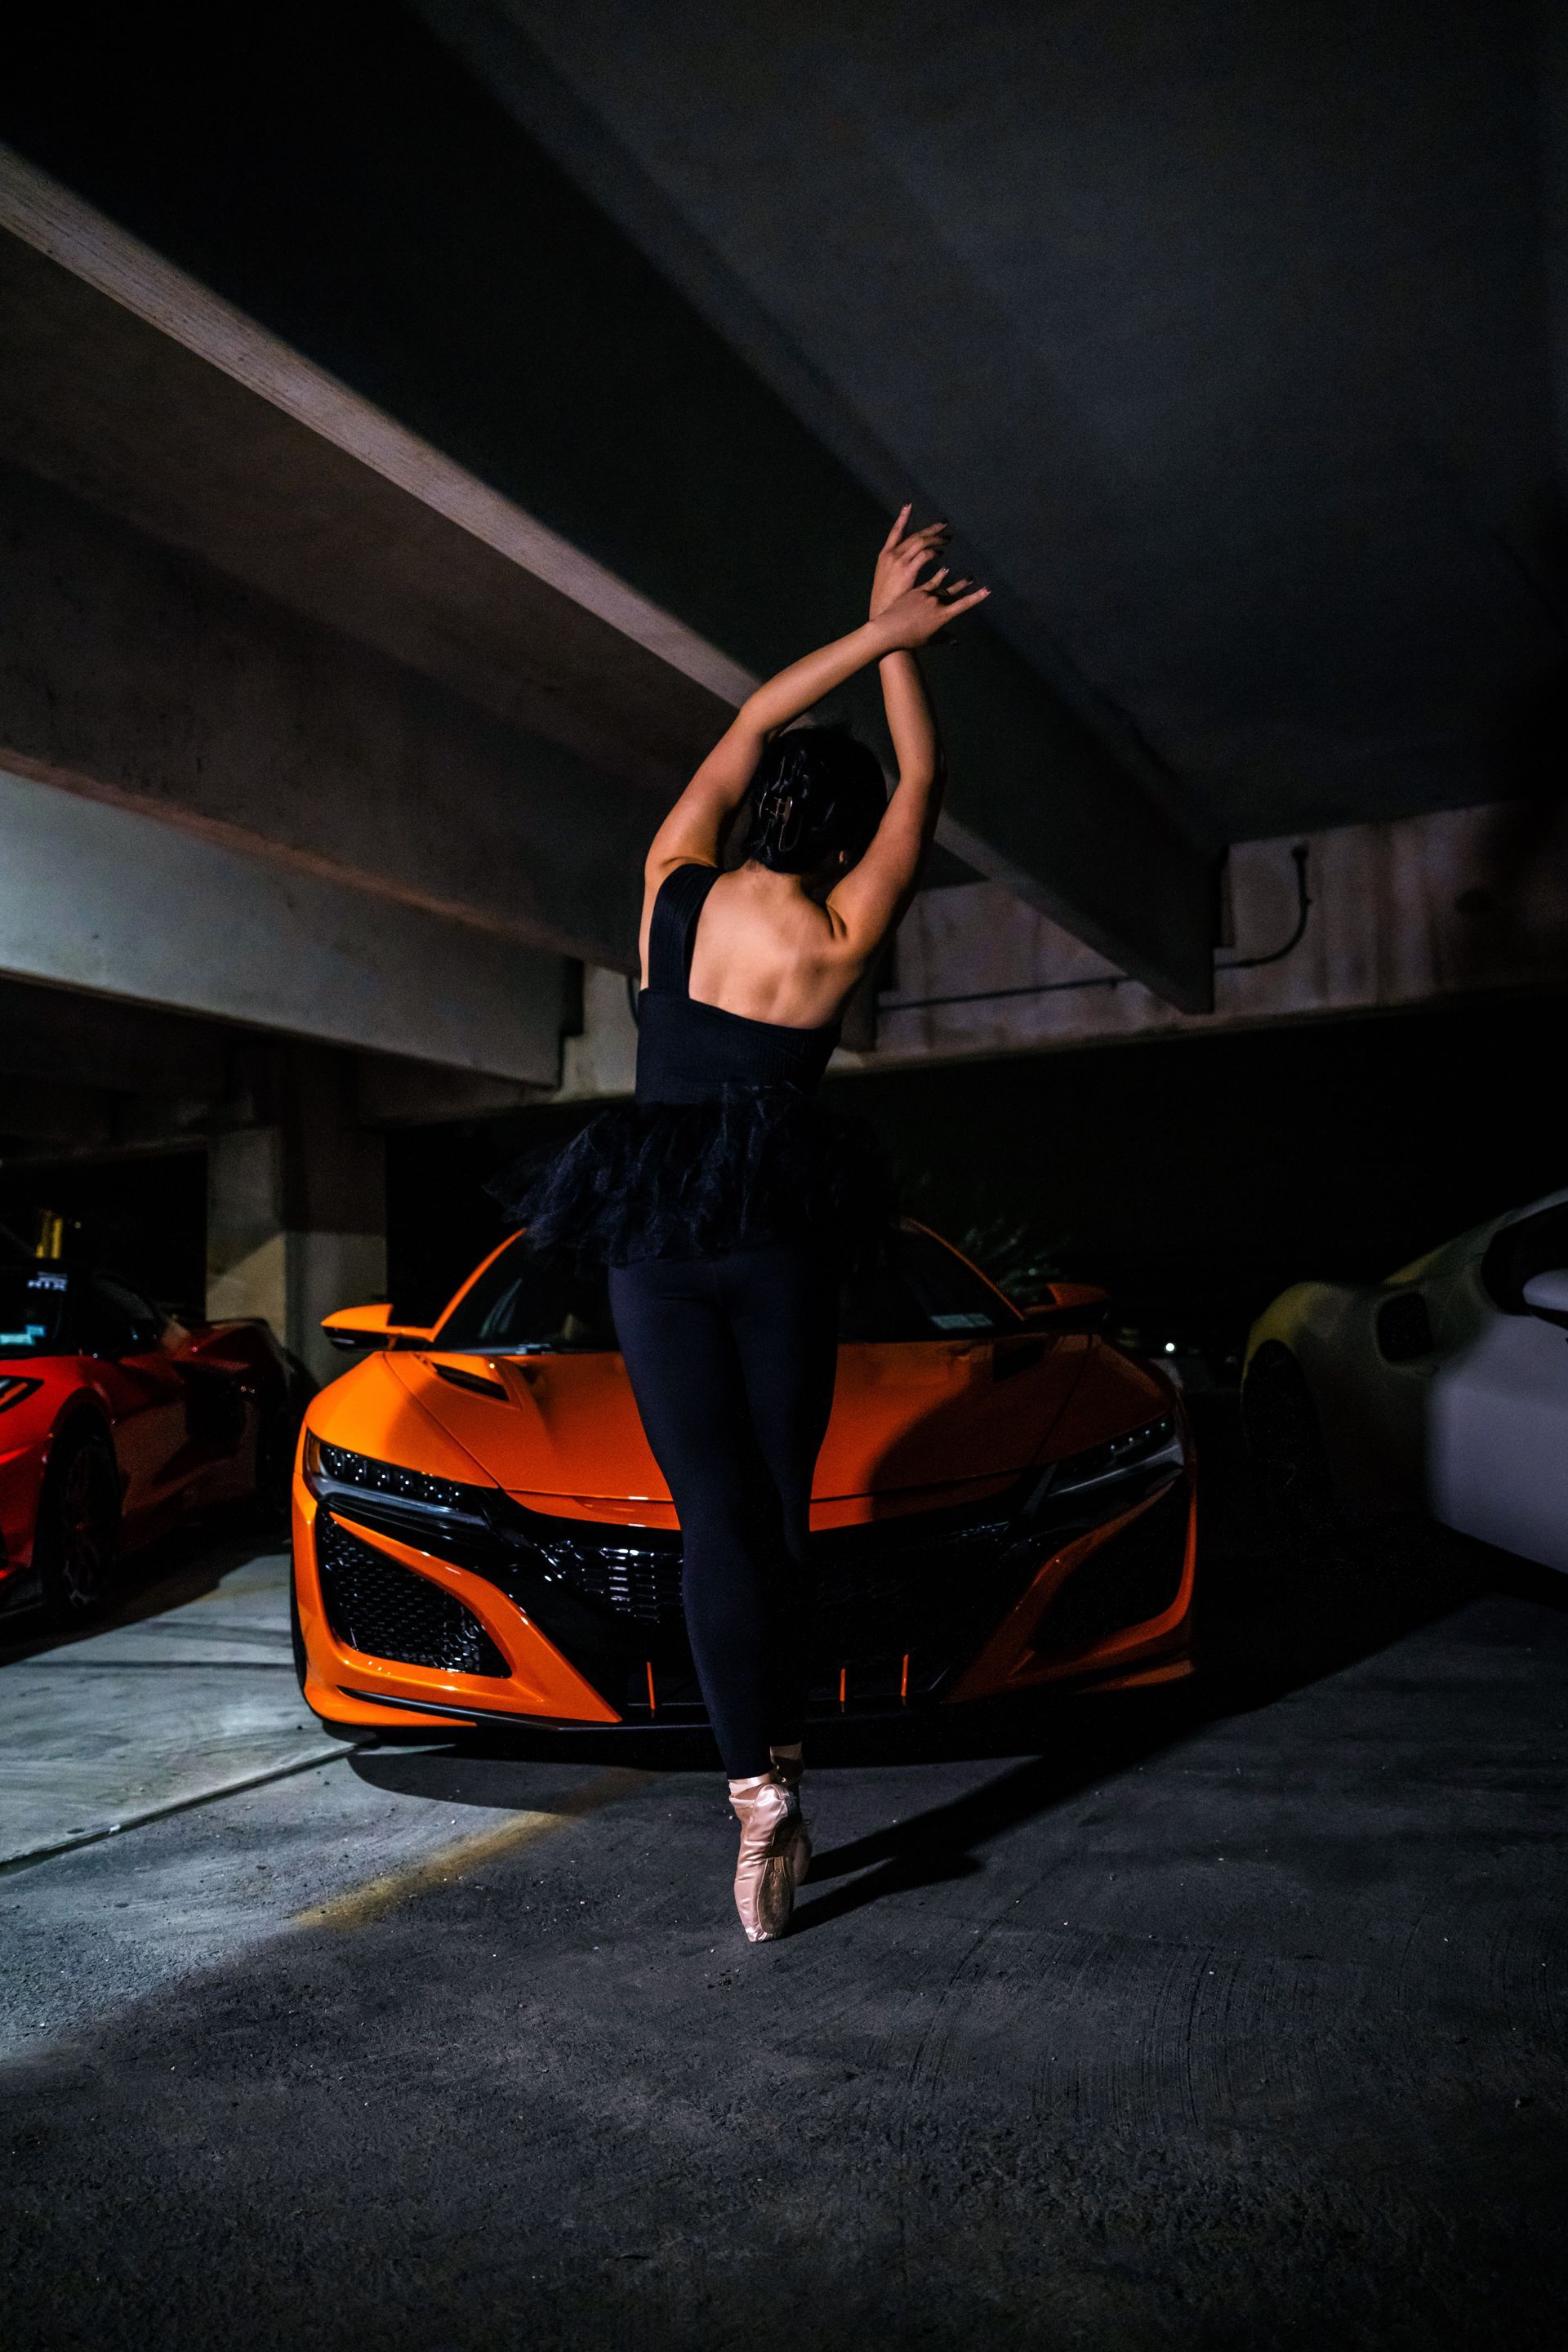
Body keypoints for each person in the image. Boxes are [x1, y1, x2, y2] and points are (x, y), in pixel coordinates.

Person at [492, 510, 988, 1940]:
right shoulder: (835, 937)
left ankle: (750, 1793)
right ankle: (786, 1755)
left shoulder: (668, 887)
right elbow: (926, 779)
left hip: (652, 1224)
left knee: (712, 1517)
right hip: (773, 1225)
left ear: (761, 807)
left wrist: (870, 627)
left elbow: (757, 716)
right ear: (832, 838)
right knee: (774, 1516)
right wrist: (915, 657)